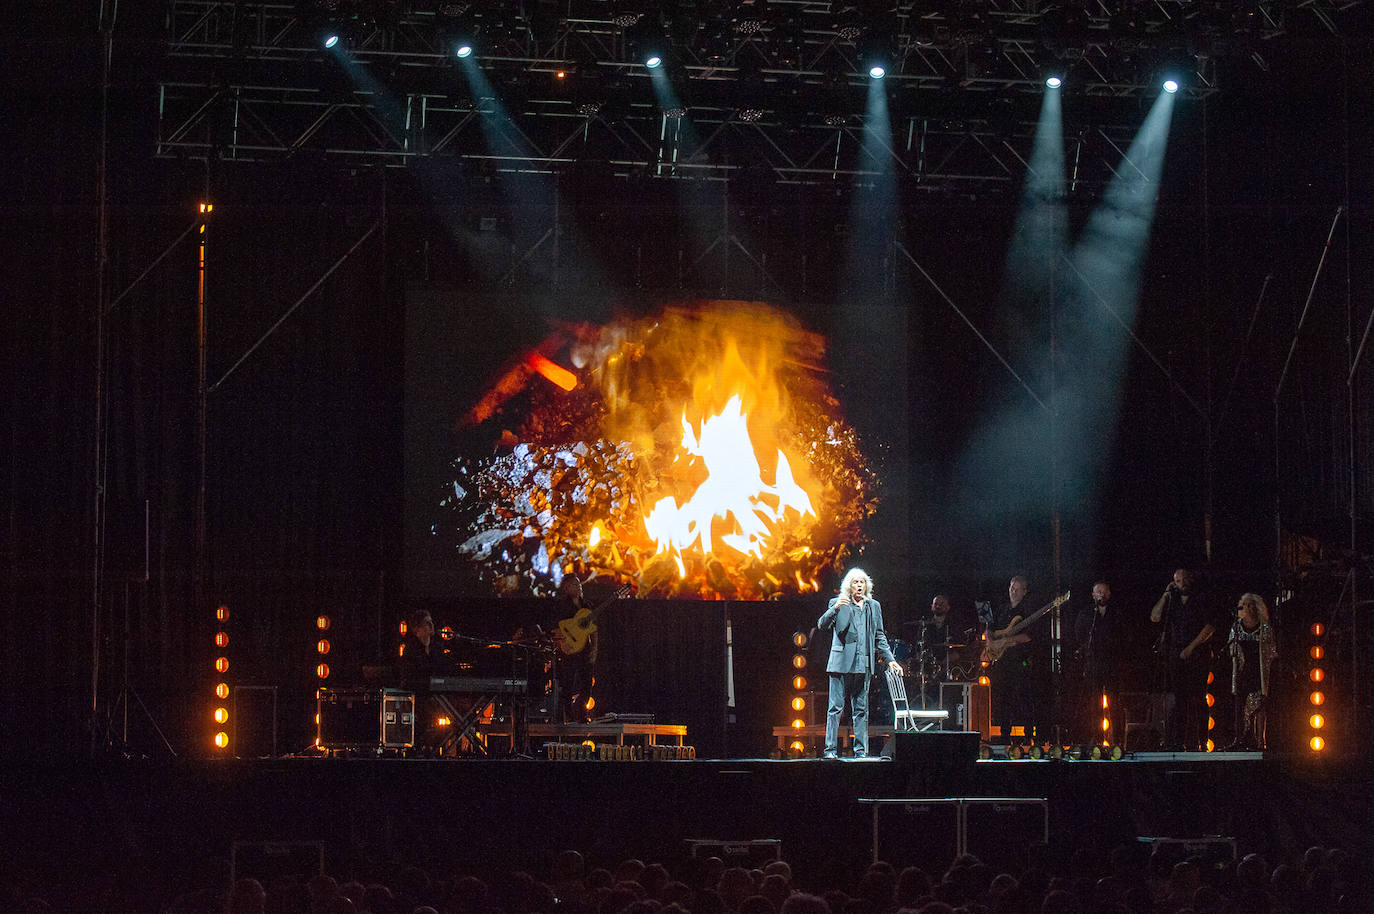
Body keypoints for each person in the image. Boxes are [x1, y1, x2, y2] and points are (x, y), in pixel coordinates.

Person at [818, 567, 903, 758]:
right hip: (840, 664)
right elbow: (821, 625)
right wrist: (835, 608)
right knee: (835, 708)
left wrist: (890, 660)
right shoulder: (838, 603)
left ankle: (860, 752)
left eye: (862, 582)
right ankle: (830, 750)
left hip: (863, 665)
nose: (859, 585)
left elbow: (880, 635)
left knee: (861, 710)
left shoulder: (873, 606)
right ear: (849, 585)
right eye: (855, 582)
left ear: (866, 585)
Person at [1150, 568, 1221, 751]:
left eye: (1184, 579)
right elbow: (1155, 617)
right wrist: (1165, 595)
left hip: (1198, 654)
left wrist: (1191, 648)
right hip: (1176, 654)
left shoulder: (1201, 598)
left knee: (1198, 698)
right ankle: (1177, 741)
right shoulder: (1172, 600)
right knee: (1179, 700)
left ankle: (1202, 741)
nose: (1181, 583)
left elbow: (1210, 626)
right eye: (1177, 581)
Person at [983, 575, 1044, 744]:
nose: (1013, 591)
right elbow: (990, 628)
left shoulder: (1028, 612)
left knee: (1024, 698)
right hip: (1002, 661)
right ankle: (1004, 736)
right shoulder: (1002, 609)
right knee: (1003, 699)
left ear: (1024, 592)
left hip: (1020, 660)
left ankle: (1028, 737)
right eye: (1011, 587)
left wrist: (1008, 641)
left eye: (1017, 588)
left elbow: (1029, 636)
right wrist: (990, 640)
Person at [1225, 592, 1277, 750]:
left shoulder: (1264, 627)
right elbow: (1230, 647)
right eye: (1245, 604)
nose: (1248, 608)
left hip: (1259, 671)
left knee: (1260, 705)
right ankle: (1240, 738)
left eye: (1251, 604)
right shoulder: (1237, 626)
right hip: (1242, 670)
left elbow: (1271, 649)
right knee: (1240, 705)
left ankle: (1261, 741)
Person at [1072, 581, 1118, 744]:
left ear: (1109, 594)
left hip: (1113, 663)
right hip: (1093, 662)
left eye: (1104, 591)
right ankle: (1097, 738)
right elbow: (1080, 635)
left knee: (1115, 702)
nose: (1101, 595)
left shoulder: (1116, 613)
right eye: (1098, 592)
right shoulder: (1086, 614)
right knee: (1094, 703)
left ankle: (1117, 740)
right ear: (1093, 595)